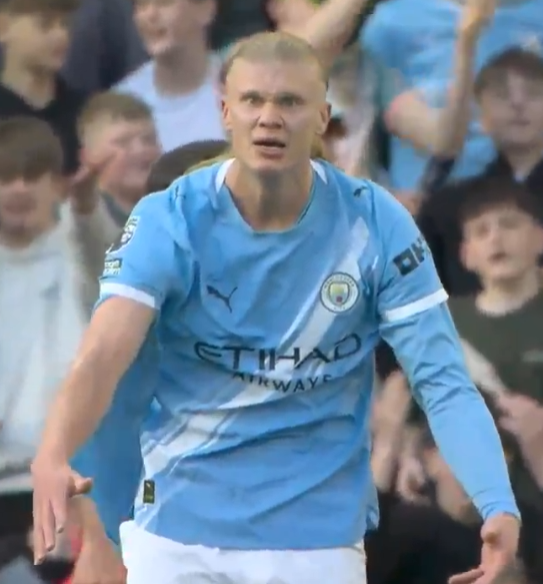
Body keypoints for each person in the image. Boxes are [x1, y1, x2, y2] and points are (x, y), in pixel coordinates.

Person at [32, 32, 520, 584]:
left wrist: (494, 500)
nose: (270, 118)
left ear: (323, 117)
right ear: (225, 112)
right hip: (178, 531)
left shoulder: (377, 224)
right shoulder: (170, 218)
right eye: (253, 100)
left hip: (316, 540)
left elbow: (442, 380)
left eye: (290, 101)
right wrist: (53, 451)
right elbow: (103, 355)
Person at [449, 178, 543, 582]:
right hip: (471, 517)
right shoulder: (446, 323)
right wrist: (423, 459)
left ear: (539, 237)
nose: (496, 238)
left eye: (509, 224)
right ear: (466, 255)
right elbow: (418, 415)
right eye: (481, 231)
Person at [0, 0, 87, 175]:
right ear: (3, 28)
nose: (61, 35)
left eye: (65, 24)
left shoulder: (86, 112)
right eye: (45, 24)